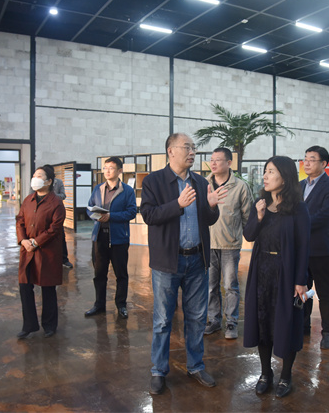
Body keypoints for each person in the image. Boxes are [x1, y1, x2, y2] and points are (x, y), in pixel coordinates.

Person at [140, 133, 227, 395]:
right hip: (168, 262)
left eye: (194, 148)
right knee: (163, 320)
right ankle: (158, 370)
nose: (192, 152)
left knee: (197, 318)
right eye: (187, 147)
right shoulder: (154, 181)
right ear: (171, 151)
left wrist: (212, 207)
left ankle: (196, 366)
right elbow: (148, 215)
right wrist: (177, 204)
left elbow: (208, 220)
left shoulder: (200, 182)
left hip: (197, 260)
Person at [243, 156, 311, 398]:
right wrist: (259, 216)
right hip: (261, 271)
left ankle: (286, 375)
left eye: (271, 171)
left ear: (285, 176)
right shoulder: (260, 204)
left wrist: (300, 280)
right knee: (262, 323)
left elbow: (303, 246)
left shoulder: (298, 208)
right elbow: (249, 235)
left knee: (286, 323)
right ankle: (265, 373)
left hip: (286, 273)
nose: (265, 176)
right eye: (265, 171)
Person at [204, 147, 252, 339]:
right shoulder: (204, 184)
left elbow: (248, 216)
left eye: (218, 160)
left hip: (230, 245)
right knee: (210, 286)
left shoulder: (240, 187)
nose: (213, 163)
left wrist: (249, 237)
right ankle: (213, 320)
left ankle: (231, 322)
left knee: (231, 286)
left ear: (229, 163)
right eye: (212, 160)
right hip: (208, 244)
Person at [15, 166, 66, 339]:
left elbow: (55, 228)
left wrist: (36, 242)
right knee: (25, 286)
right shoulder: (28, 200)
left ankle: (49, 325)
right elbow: (20, 220)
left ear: (49, 181)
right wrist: (23, 240)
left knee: (47, 288)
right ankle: (29, 325)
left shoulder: (56, 203)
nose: (35, 178)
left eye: (39, 176)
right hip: (27, 250)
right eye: (34, 175)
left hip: (46, 251)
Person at [300, 145, 329, 349]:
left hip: (321, 248)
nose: (306, 163)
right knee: (302, 289)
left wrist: (298, 224)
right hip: (301, 248)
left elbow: (325, 214)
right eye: (305, 159)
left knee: (325, 291)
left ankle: (328, 332)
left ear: (324, 163)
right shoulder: (299, 185)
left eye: (312, 159)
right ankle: (302, 326)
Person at [85, 157, 137, 319]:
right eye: (105, 168)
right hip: (99, 237)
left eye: (111, 168)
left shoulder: (127, 191)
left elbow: (131, 212)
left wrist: (111, 216)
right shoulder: (98, 189)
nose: (107, 171)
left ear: (120, 171)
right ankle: (99, 305)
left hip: (119, 239)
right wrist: (95, 216)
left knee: (121, 274)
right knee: (99, 273)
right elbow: (89, 208)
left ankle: (121, 305)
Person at [42, 164, 73, 269]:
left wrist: (51, 196)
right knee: (43, 236)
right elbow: (31, 196)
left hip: (56, 212)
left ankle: (64, 259)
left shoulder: (58, 182)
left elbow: (63, 195)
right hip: (43, 213)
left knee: (61, 236)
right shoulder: (38, 183)